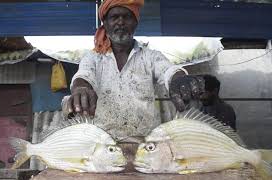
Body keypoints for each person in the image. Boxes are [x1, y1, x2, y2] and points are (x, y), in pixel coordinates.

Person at [63, 0, 206, 140]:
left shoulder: (150, 57)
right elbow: (84, 75)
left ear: (136, 22)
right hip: (104, 146)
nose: (120, 22)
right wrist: (81, 87)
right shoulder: (93, 58)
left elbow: (168, 70)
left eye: (127, 17)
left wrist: (178, 77)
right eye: (114, 17)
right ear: (105, 24)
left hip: (144, 147)